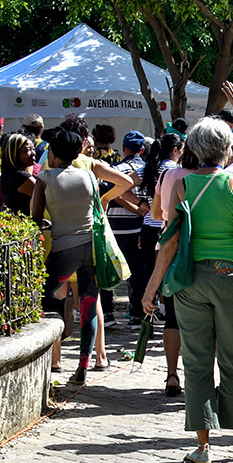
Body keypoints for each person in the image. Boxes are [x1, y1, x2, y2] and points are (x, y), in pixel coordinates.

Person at [142, 118, 233, 463]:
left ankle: (203, 446)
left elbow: (170, 240)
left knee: (197, 361)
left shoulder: (183, 185)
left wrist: (151, 288)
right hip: (232, 277)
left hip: (191, 282)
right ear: (227, 149)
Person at [31, 130, 135, 385]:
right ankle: (83, 367)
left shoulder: (44, 178)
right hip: (89, 248)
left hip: (62, 249)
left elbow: (34, 216)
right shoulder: (89, 175)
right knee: (88, 305)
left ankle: (50, 357)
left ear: (52, 152)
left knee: (47, 300)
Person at [143, 133, 188, 395]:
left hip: (170, 249)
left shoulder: (168, 175)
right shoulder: (215, 176)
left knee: (172, 317)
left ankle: (172, 375)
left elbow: (156, 214)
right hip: (202, 252)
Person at [105, 131, 151, 324]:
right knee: (138, 272)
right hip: (139, 228)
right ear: (142, 150)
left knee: (109, 271)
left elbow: (116, 195)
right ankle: (137, 315)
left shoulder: (114, 169)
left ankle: (107, 313)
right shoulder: (148, 169)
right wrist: (141, 210)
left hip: (115, 228)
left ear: (123, 148)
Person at [0, 132, 37, 216]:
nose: (33, 153)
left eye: (33, 149)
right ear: (14, 154)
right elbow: (49, 197)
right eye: (27, 150)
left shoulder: (10, 174)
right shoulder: (20, 178)